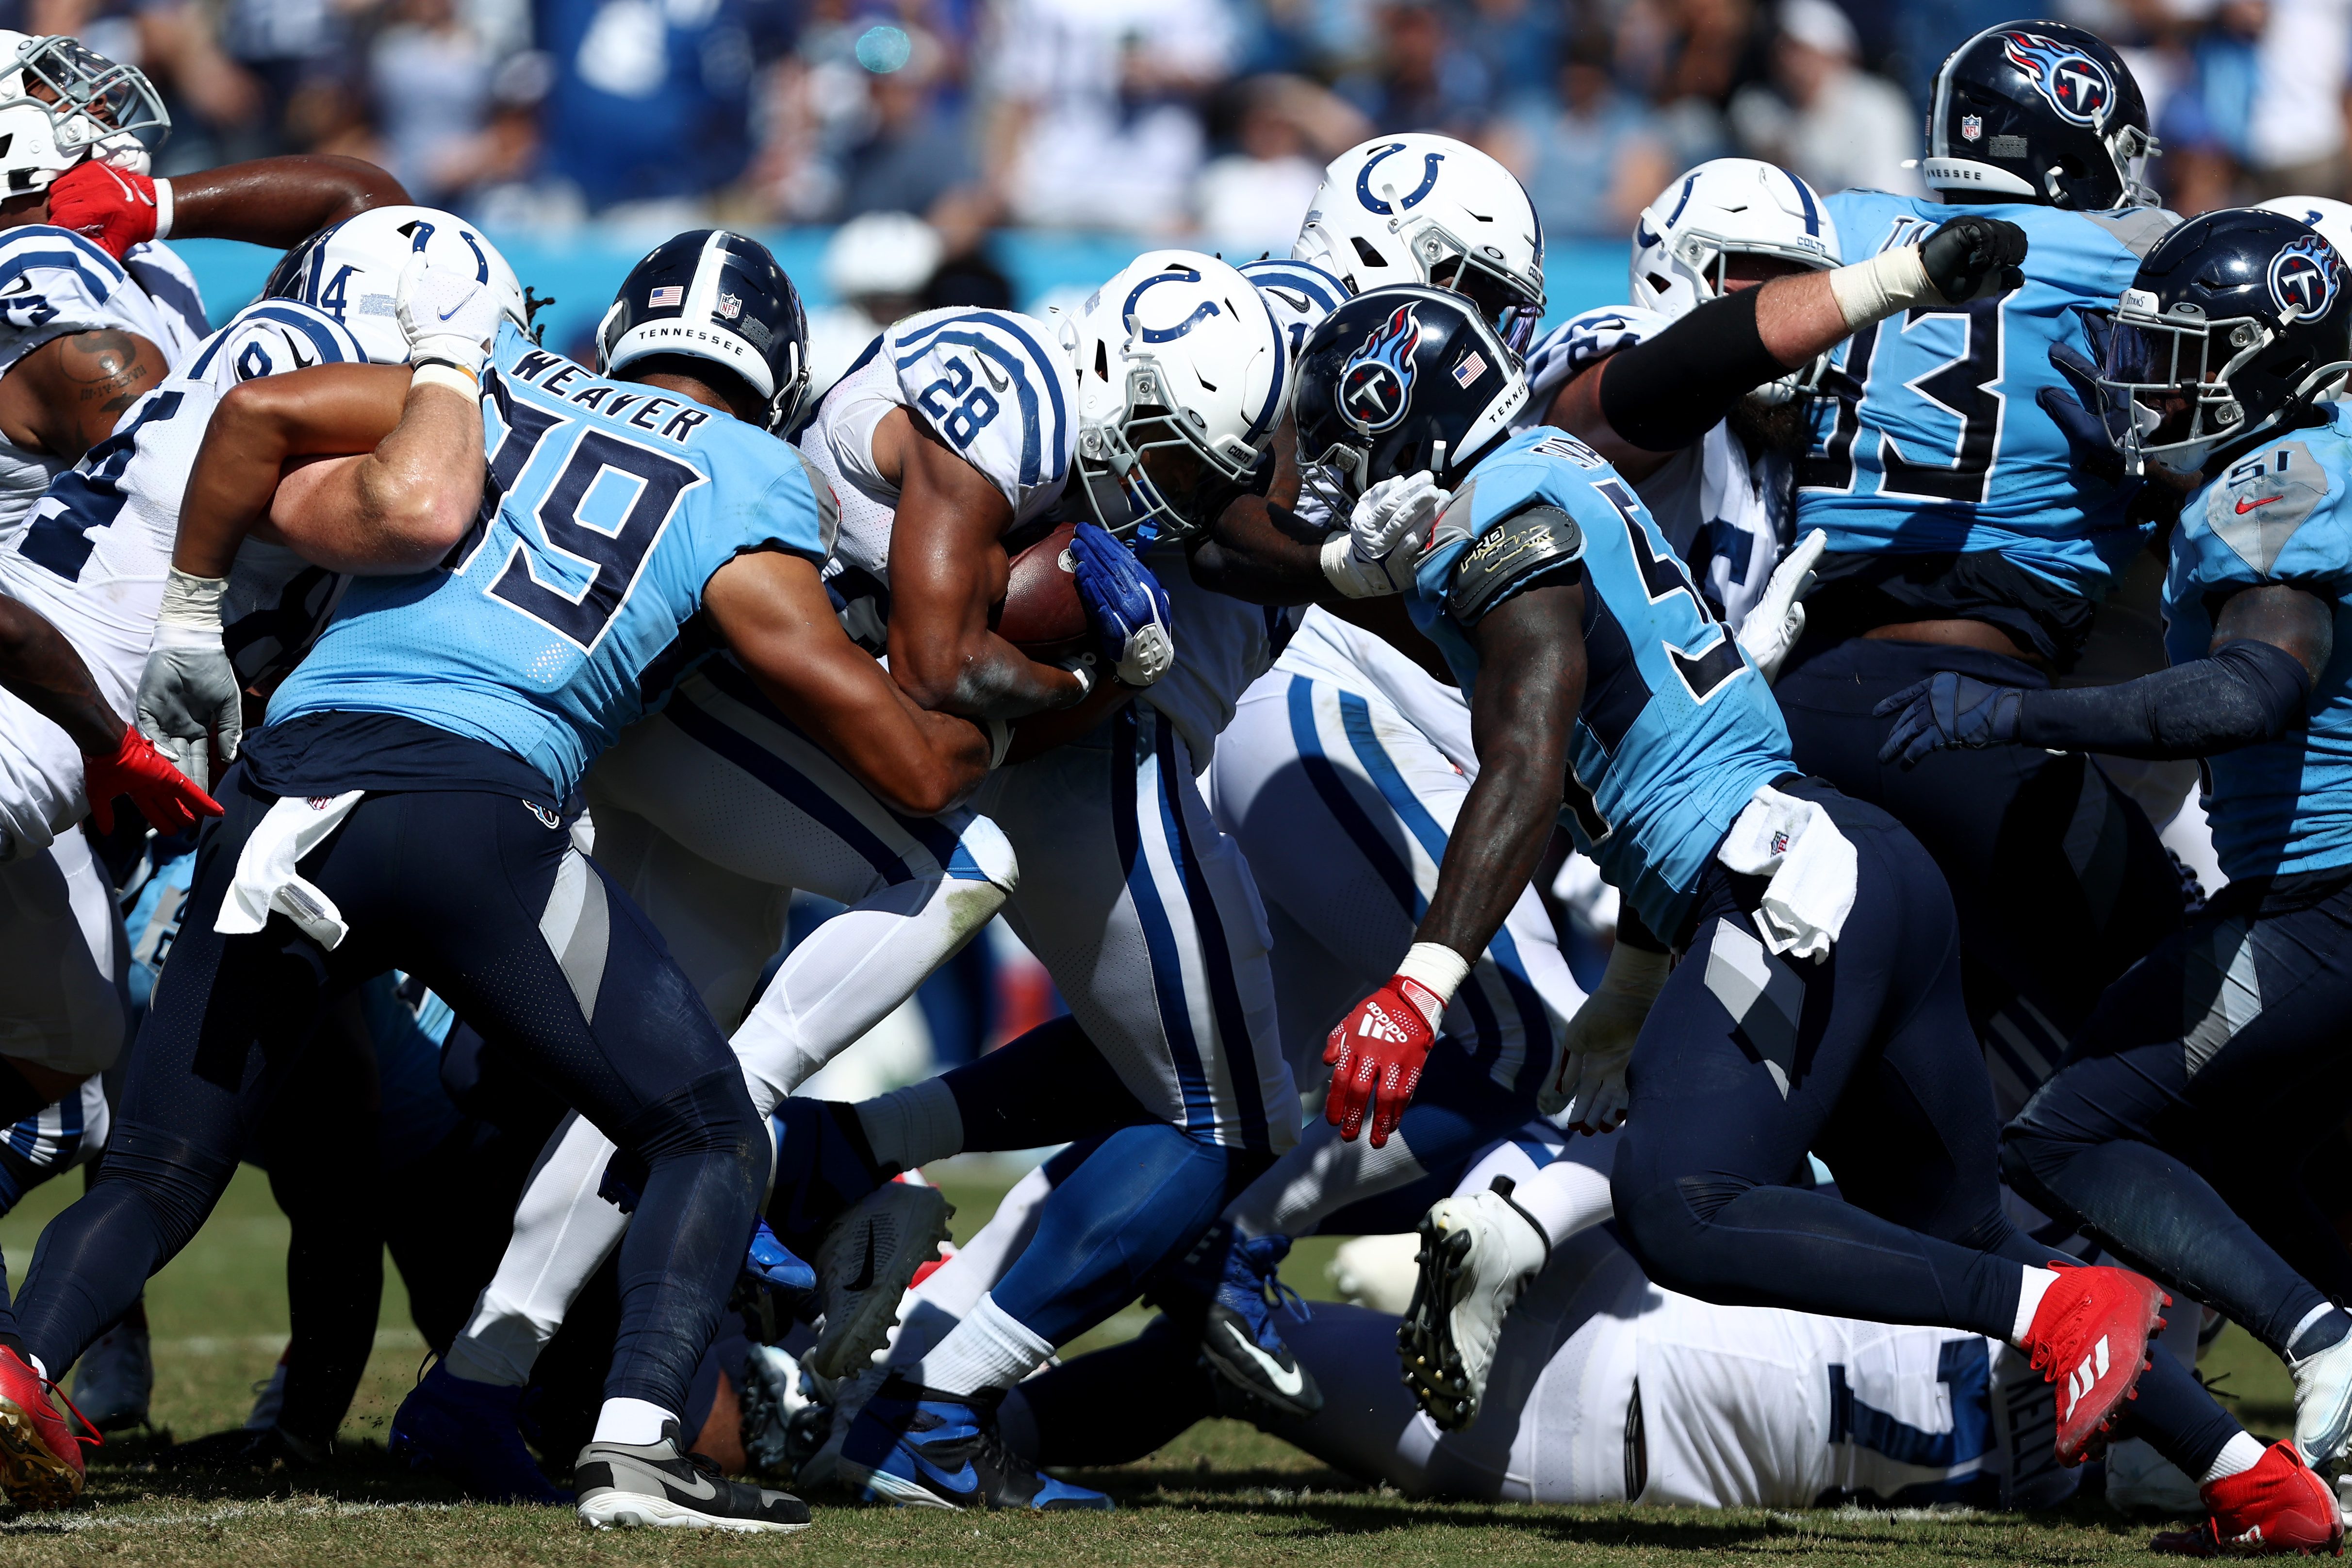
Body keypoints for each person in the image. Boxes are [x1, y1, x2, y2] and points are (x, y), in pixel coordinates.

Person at [1287, 280, 2336, 1552]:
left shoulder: (1494, 525)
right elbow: (1630, 760)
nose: (1327, 482)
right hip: (1842, 866)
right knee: (1954, 1227)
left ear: (1395, 428)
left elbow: (1530, 749)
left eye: (1339, 446)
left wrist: (1423, 980)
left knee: (1690, 1209)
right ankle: (2249, 1477)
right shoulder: (1550, 469)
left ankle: (2065, 1315)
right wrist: (1629, 982)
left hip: (1779, 890)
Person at [2, 207, 989, 1531]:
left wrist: (186, 614)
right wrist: (1018, 692)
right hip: (471, 809)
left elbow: (261, 413)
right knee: (701, 1126)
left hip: (281, 792)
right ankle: (638, 1451)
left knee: (160, 1171)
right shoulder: (749, 471)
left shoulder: (498, 383)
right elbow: (908, 763)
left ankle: (20, 1366)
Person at [1884, 208, 2352, 1512]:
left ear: (2278, 362)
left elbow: (2247, 693)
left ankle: (2330, 1347)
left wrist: (2023, 713)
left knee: (2067, 1131)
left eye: (2190, 359)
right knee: (2247, 1157)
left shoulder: (2287, 486)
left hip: (2330, 905)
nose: (2156, 389)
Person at [1771, 21, 2189, 1092]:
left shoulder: (1839, 226)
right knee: (2201, 1011)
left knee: (1955, 1077)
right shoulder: (2120, 258)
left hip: (1794, 706)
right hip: (1972, 716)